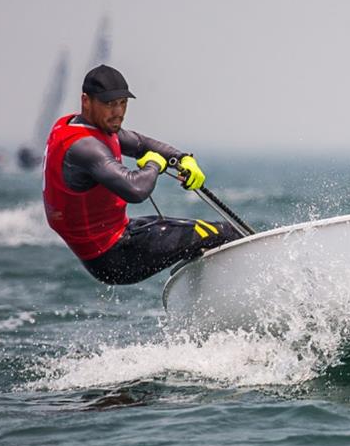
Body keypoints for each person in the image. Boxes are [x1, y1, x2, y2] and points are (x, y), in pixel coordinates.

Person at [42, 64, 242, 284]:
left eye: (123, 104)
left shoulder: (87, 126)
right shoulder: (85, 147)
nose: (118, 112)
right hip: (113, 257)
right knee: (226, 233)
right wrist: (154, 165)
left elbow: (140, 144)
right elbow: (135, 190)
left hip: (120, 235)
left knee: (202, 235)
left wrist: (183, 158)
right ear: (86, 101)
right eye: (109, 104)